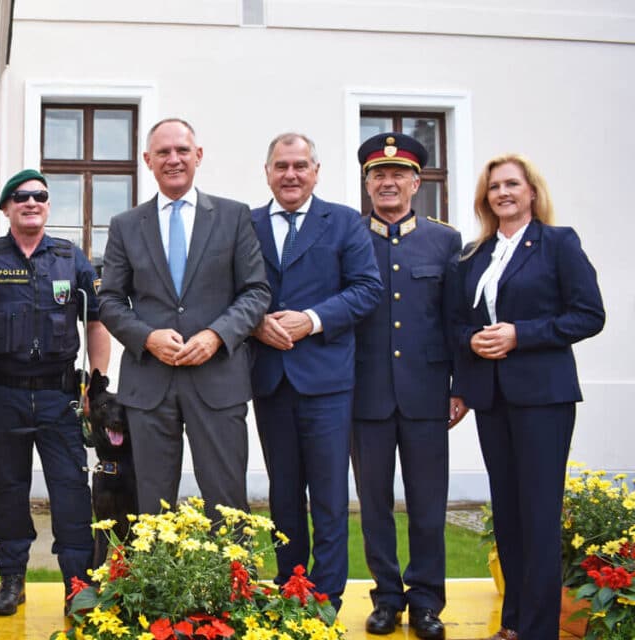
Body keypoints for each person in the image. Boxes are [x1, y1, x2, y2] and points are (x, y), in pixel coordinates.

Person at [452, 153, 604, 640]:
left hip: (543, 397)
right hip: (493, 400)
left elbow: (588, 315)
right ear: (485, 198)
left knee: (539, 515)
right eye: (494, 187)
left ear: (532, 192)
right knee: (510, 515)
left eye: (512, 184)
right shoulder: (475, 256)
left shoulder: (558, 244)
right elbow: (455, 323)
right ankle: (515, 622)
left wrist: (523, 334)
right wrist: (470, 341)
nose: (503, 193)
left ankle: (541, 631)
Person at [98, 118, 270, 515]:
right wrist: (146, 338)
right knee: (151, 510)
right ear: (147, 160)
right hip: (149, 382)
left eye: (181, 151)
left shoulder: (233, 217)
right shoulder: (126, 226)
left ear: (199, 156)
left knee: (226, 504)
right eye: (163, 152)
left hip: (218, 379)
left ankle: (231, 579)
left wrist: (216, 335)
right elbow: (109, 300)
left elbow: (256, 291)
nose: (173, 159)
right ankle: (153, 580)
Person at [249, 132, 382, 611]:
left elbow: (368, 289)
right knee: (283, 494)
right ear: (267, 172)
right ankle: (290, 588)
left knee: (328, 496)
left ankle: (325, 598)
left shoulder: (344, 222)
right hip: (269, 379)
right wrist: (255, 322)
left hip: (326, 380)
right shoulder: (248, 224)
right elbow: (231, 289)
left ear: (316, 171)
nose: (290, 174)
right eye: (281, 165)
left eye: (300, 165)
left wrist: (313, 319)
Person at [0, 169, 111, 616]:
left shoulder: (70, 257)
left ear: (48, 205)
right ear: (6, 208)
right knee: (8, 490)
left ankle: (78, 587)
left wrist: (98, 383)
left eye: (39, 196)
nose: (31, 202)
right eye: (21, 197)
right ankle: (11, 580)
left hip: (60, 398)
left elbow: (96, 321)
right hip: (4, 396)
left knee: (71, 492)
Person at [351, 132, 465, 639]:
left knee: (427, 504)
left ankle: (426, 602)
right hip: (364, 394)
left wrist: (459, 386)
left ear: (417, 182)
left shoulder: (445, 241)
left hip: (426, 394)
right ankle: (387, 597)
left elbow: (455, 319)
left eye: (398, 174)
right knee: (374, 505)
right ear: (367, 183)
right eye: (378, 174)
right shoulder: (350, 236)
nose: (388, 182)